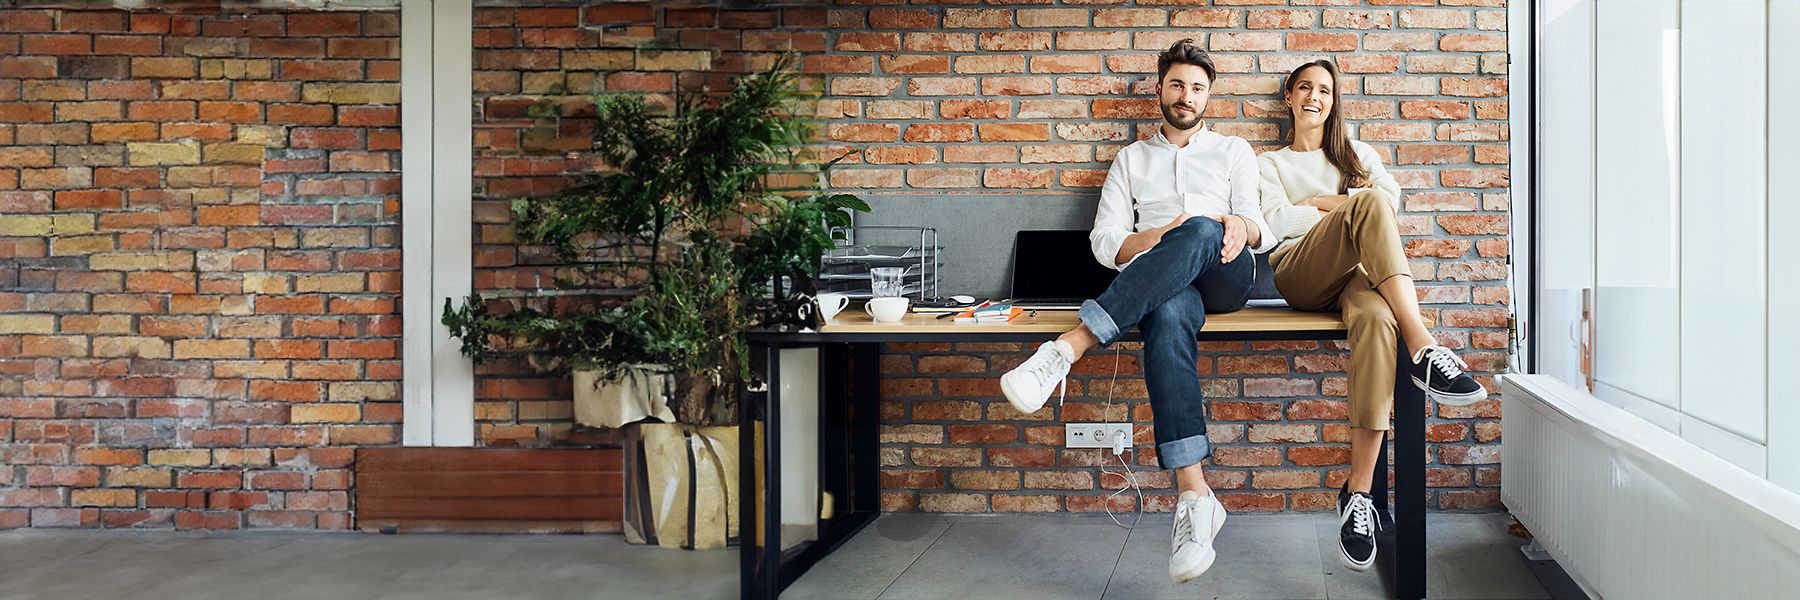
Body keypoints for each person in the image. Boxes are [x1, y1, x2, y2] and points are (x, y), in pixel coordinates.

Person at [999, 39, 1276, 584]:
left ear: (1208, 96)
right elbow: (1105, 243)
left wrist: (1241, 227)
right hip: (1163, 285)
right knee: (1168, 312)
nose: (1186, 96)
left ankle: (1067, 348)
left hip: (1225, 275)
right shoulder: (1131, 159)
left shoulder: (1234, 151)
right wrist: (1158, 237)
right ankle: (1195, 498)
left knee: (1201, 224)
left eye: (1197, 88)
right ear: (1160, 89)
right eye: (1177, 84)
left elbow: (1260, 228)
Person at [1256, 60, 1488, 573]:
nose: (1315, 97)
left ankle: (1357, 493)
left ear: (1334, 101)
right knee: (1367, 210)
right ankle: (1424, 346)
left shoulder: (1358, 153)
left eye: (1326, 90)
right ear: (1288, 99)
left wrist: (1327, 204)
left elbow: (1390, 201)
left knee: (1378, 320)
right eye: (1305, 89)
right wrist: (1343, 205)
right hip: (1300, 272)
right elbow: (1274, 223)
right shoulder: (1268, 164)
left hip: (1362, 280)